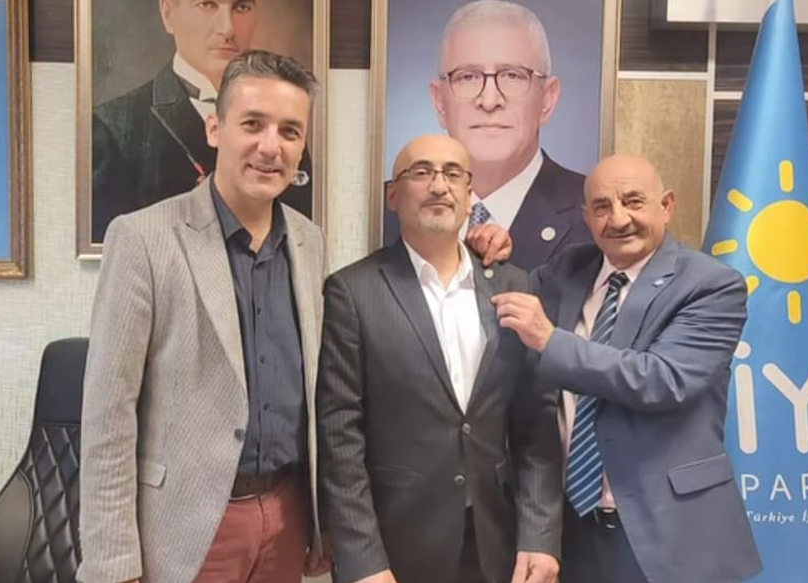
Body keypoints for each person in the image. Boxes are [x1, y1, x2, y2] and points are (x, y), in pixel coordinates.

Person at [78, 51, 328, 583]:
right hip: (186, 528)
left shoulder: (309, 242)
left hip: (287, 517)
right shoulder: (143, 238)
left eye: (290, 131)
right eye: (253, 124)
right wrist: (112, 563)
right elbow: (107, 413)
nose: (271, 147)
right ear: (215, 128)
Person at [492, 154, 763, 583]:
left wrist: (550, 340)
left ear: (666, 205)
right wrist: (487, 246)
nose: (618, 219)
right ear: (586, 217)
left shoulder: (711, 284)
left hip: (669, 534)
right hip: (572, 530)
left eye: (633, 201)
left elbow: (662, 379)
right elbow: (504, 288)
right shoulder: (567, 269)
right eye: (601, 207)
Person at [317, 134, 562, 583]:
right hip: (395, 547)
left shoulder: (513, 285)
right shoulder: (353, 291)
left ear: (469, 196)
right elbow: (340, 438)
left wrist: (540, 537)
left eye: (452, 174)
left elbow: (535, 425)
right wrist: (363, 561)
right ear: (393, 195)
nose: (438, 185)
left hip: (496, 542)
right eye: (421, 172)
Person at [385, 0, 591, 269]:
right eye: (468, 77)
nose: (490, 100)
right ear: (439, 103)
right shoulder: (388, 209)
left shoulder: (596, 215)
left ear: (547, 100)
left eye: (513, 76)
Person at [91, 0, 312, 244]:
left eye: (241, 7)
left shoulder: (285, 132)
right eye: (207, 4)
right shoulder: (113, 127)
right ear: (168, 13)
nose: (227, 29)